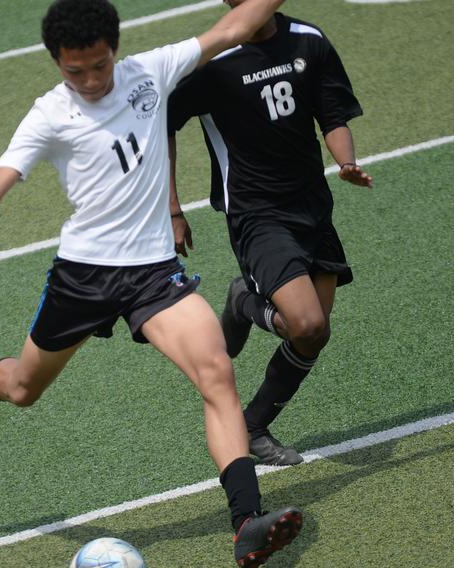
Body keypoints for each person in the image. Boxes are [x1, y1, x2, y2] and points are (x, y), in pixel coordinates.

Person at [0, 0, 302, 565]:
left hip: (154, 275)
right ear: (57, 63)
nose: (89, 80)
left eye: (99, 66)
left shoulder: (151, 71)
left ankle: (247, 523)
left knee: (216, 373)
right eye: (73, 71)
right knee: (23, 390)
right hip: (82, 277)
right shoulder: (49, 114)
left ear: (116, 50)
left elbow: (234, 25)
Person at [167, 0, 372, 467]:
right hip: (256, 213)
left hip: (313, 206)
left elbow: (333, 114)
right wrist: (173, 208)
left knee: (314, 335)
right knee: (308, 324)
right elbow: (162, 126)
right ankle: (246, 302)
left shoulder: (308, 41)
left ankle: (254, 425)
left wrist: (346, 162)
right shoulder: (211, 64)